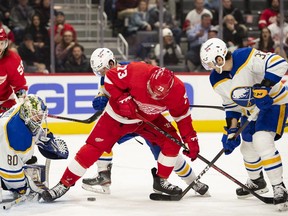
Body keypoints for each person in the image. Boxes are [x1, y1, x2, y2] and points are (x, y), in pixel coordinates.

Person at [41, 50, 204, 202]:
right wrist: (121, 99)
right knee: (94, 147)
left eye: (158, 96)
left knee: (173, 142)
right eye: (150, 91)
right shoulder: (137, 71)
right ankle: (65, 183)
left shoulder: (178, 90)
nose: (153, 96)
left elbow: (182, 117)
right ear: (149, 79)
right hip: (118, 117)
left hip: (147, 119)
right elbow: (109, 78)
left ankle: (162, 180)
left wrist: (191, 139)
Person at [81, 48, 208, 195]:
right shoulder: (106, 77)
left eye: (102, 70)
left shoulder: (133, 68)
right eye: (98, 72)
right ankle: (103, 174)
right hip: (126, 123)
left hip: (147, 122)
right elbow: (105, 92)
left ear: (111, 62)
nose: (101, 74)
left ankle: (193, 181)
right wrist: (100, 99)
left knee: (168, 151)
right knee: (103, 139)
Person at [200, 38, 288, 211]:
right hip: (251, 111)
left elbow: (280, 63)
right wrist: (232, 129)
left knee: (262, 141)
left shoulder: (246, 56)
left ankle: (279, 187)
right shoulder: (216, 79)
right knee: (247, 148)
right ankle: (257, 181)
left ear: (219, 58)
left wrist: (265, 86)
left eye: (211, 63)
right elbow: (231, 104)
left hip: (274, 103)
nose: (210, 67)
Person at [0, 94, 69, 201]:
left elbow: (31, 126)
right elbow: (11, 174)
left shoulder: (21, 109)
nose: (39, 119)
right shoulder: (16, 135)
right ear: (27, 113)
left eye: (40, 115)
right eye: (36, 115)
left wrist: (42, 136)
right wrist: (22, 187)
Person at [0, 28, 28, 113]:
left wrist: (22, 102)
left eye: (1, 44)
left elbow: (19, 86)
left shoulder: (12, 59)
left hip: (5, 102)